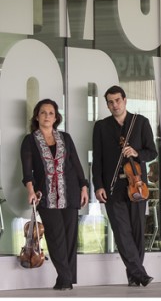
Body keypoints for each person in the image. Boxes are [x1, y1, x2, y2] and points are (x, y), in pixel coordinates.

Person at [20, 99, 89, 291]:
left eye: (51, 113)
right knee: (55, 236)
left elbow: (75, 164)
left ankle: (64, 279)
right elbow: (27, 171)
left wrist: (84, 187)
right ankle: (66, 277)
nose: (47, 116)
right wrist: (31, 191)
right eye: (43, 112)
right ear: (37, 116)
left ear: (56, 117)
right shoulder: (30, 140)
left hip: (70, 192)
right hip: (46, 196)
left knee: (69, 238)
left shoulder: (65, 138)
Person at [92, 85, 157, 287]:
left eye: (117, 100)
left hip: (136, 185)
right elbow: (98, 159)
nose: (114, 105)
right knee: (121, 232)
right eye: (110, 102)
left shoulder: (141, 123)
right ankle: (140, 273)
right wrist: (98, 185)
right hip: (113, 187)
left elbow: (152, 152)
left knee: (137, 232)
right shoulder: (101, 127)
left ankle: (134, 275)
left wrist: (136, 153)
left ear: (125, 100)